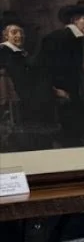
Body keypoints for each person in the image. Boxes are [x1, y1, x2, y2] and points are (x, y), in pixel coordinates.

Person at [36, 0, 84, 145]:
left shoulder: (76, 40)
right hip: (59, 98)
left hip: (72, 96)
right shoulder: (57, 38)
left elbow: (72, 70)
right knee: (71, 139)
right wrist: (54, 91)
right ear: (75, 20)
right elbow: (42, 68)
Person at [0, 15, 58, 149]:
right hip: (19, 96)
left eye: (21, 32)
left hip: (29, 93)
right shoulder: (4, 51)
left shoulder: (20, 53)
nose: (19, 36)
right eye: (14, 32)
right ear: (5, 35)